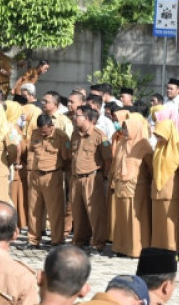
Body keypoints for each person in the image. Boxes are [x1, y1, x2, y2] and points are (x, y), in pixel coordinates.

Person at [110, 112, 152, 258]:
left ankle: (136, 249)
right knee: (122, 218)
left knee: (134, 218)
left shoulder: (144, 146)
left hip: (136, 187)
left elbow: (151, 168)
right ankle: (122, 247)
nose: (125, 131)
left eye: (127, 128)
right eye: (124, 128)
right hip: (121, 185)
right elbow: (115, 164)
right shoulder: (121, 143)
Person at [69, 106, 110, 253]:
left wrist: (103, 176)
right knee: (78, 213)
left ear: (87, 118)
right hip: (76, 178)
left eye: (78, 115)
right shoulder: (74, 134)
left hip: (92, 177)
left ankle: (98, 243)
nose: (74, 118)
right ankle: (80, 241)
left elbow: (107, 159)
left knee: (95, 213)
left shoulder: (99, 136)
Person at [25, 113, 69, 246]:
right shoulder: (35, 134)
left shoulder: (61, 137)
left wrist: (61, 173)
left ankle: (57, 240)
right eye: (41, 131)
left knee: (54, 211)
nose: (42, 133)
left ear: (51, 126)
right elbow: (31, 151)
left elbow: (67, 158)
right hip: (35, 175)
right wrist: (30, 169)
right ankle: (33, 239)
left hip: (52, 176)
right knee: (33, 209)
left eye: (45, 131)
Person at [150, 114, 179, 252]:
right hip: (157, 190)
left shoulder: (178, 149)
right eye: (157, 136)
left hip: (170, 191)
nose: (159, 139)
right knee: (158, 222)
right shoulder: (158, 148)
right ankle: (158, 248)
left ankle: (171, 250)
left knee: (170, 222)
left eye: (161, 135)